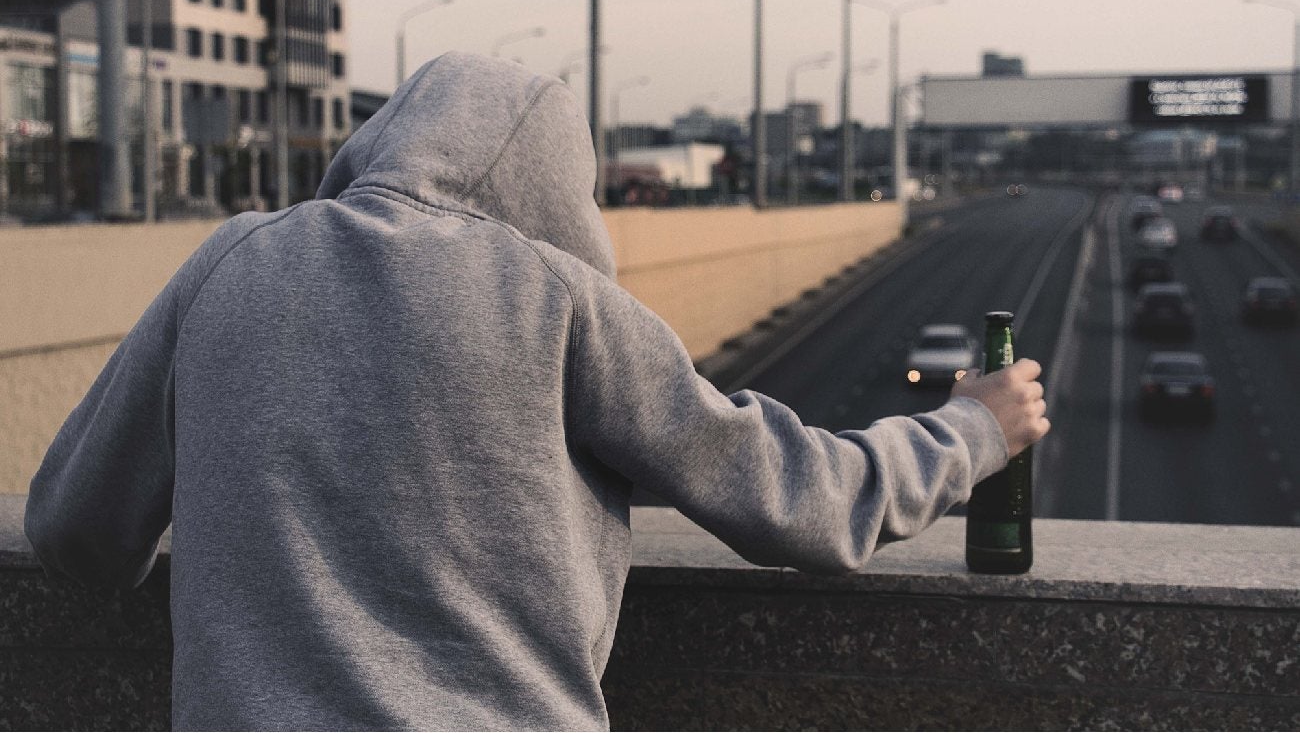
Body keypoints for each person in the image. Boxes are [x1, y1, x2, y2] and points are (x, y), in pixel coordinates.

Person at [26, 52, 1048, 730]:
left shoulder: (230, 263)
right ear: (562, 190)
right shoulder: (556, 298)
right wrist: (971, 430)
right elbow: (803, 500)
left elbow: (75, 525)